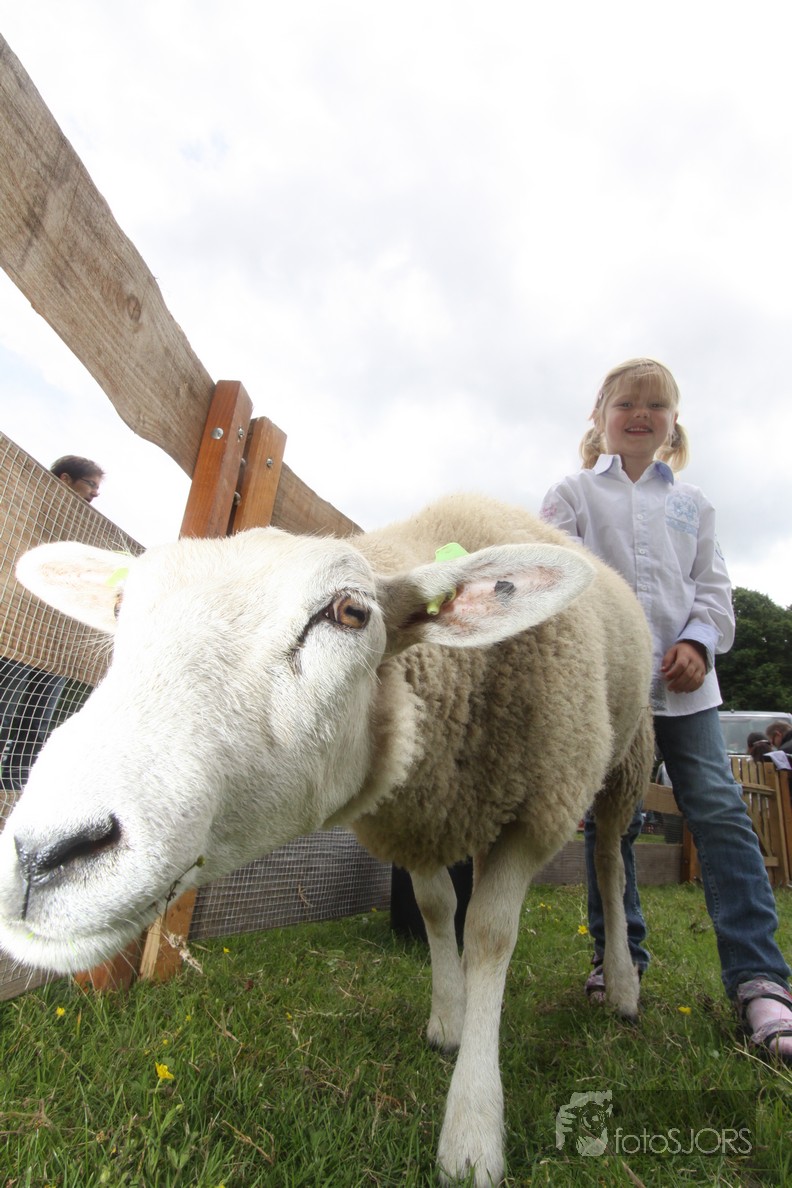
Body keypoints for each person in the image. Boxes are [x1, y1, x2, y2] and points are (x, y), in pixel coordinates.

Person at [540, 357, 792, 1062]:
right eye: (626, 403)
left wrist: (698, 643)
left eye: (656, 405)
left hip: (688, 694)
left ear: (674, 424)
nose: (641, 414)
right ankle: (617, 958)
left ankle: (760, 979)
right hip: (609, 691)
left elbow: (713, 591)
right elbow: (561, 575)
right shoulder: (571, 495)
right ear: (599, 417)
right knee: (612, 821)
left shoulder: (694, 505)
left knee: (718, 808)